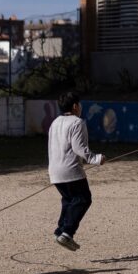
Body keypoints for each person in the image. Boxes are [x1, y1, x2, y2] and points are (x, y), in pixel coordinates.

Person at [48, 91, 106, 251]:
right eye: (79, 104)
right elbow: (79, 148)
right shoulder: (77, 122)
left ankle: (60, 230)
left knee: (69, 200)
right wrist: (96, 159)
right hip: (70, 170)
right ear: (75, 106)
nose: (80, 107)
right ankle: (67, 233)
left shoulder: (55, 122)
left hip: (55, 170)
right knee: (83, 199)